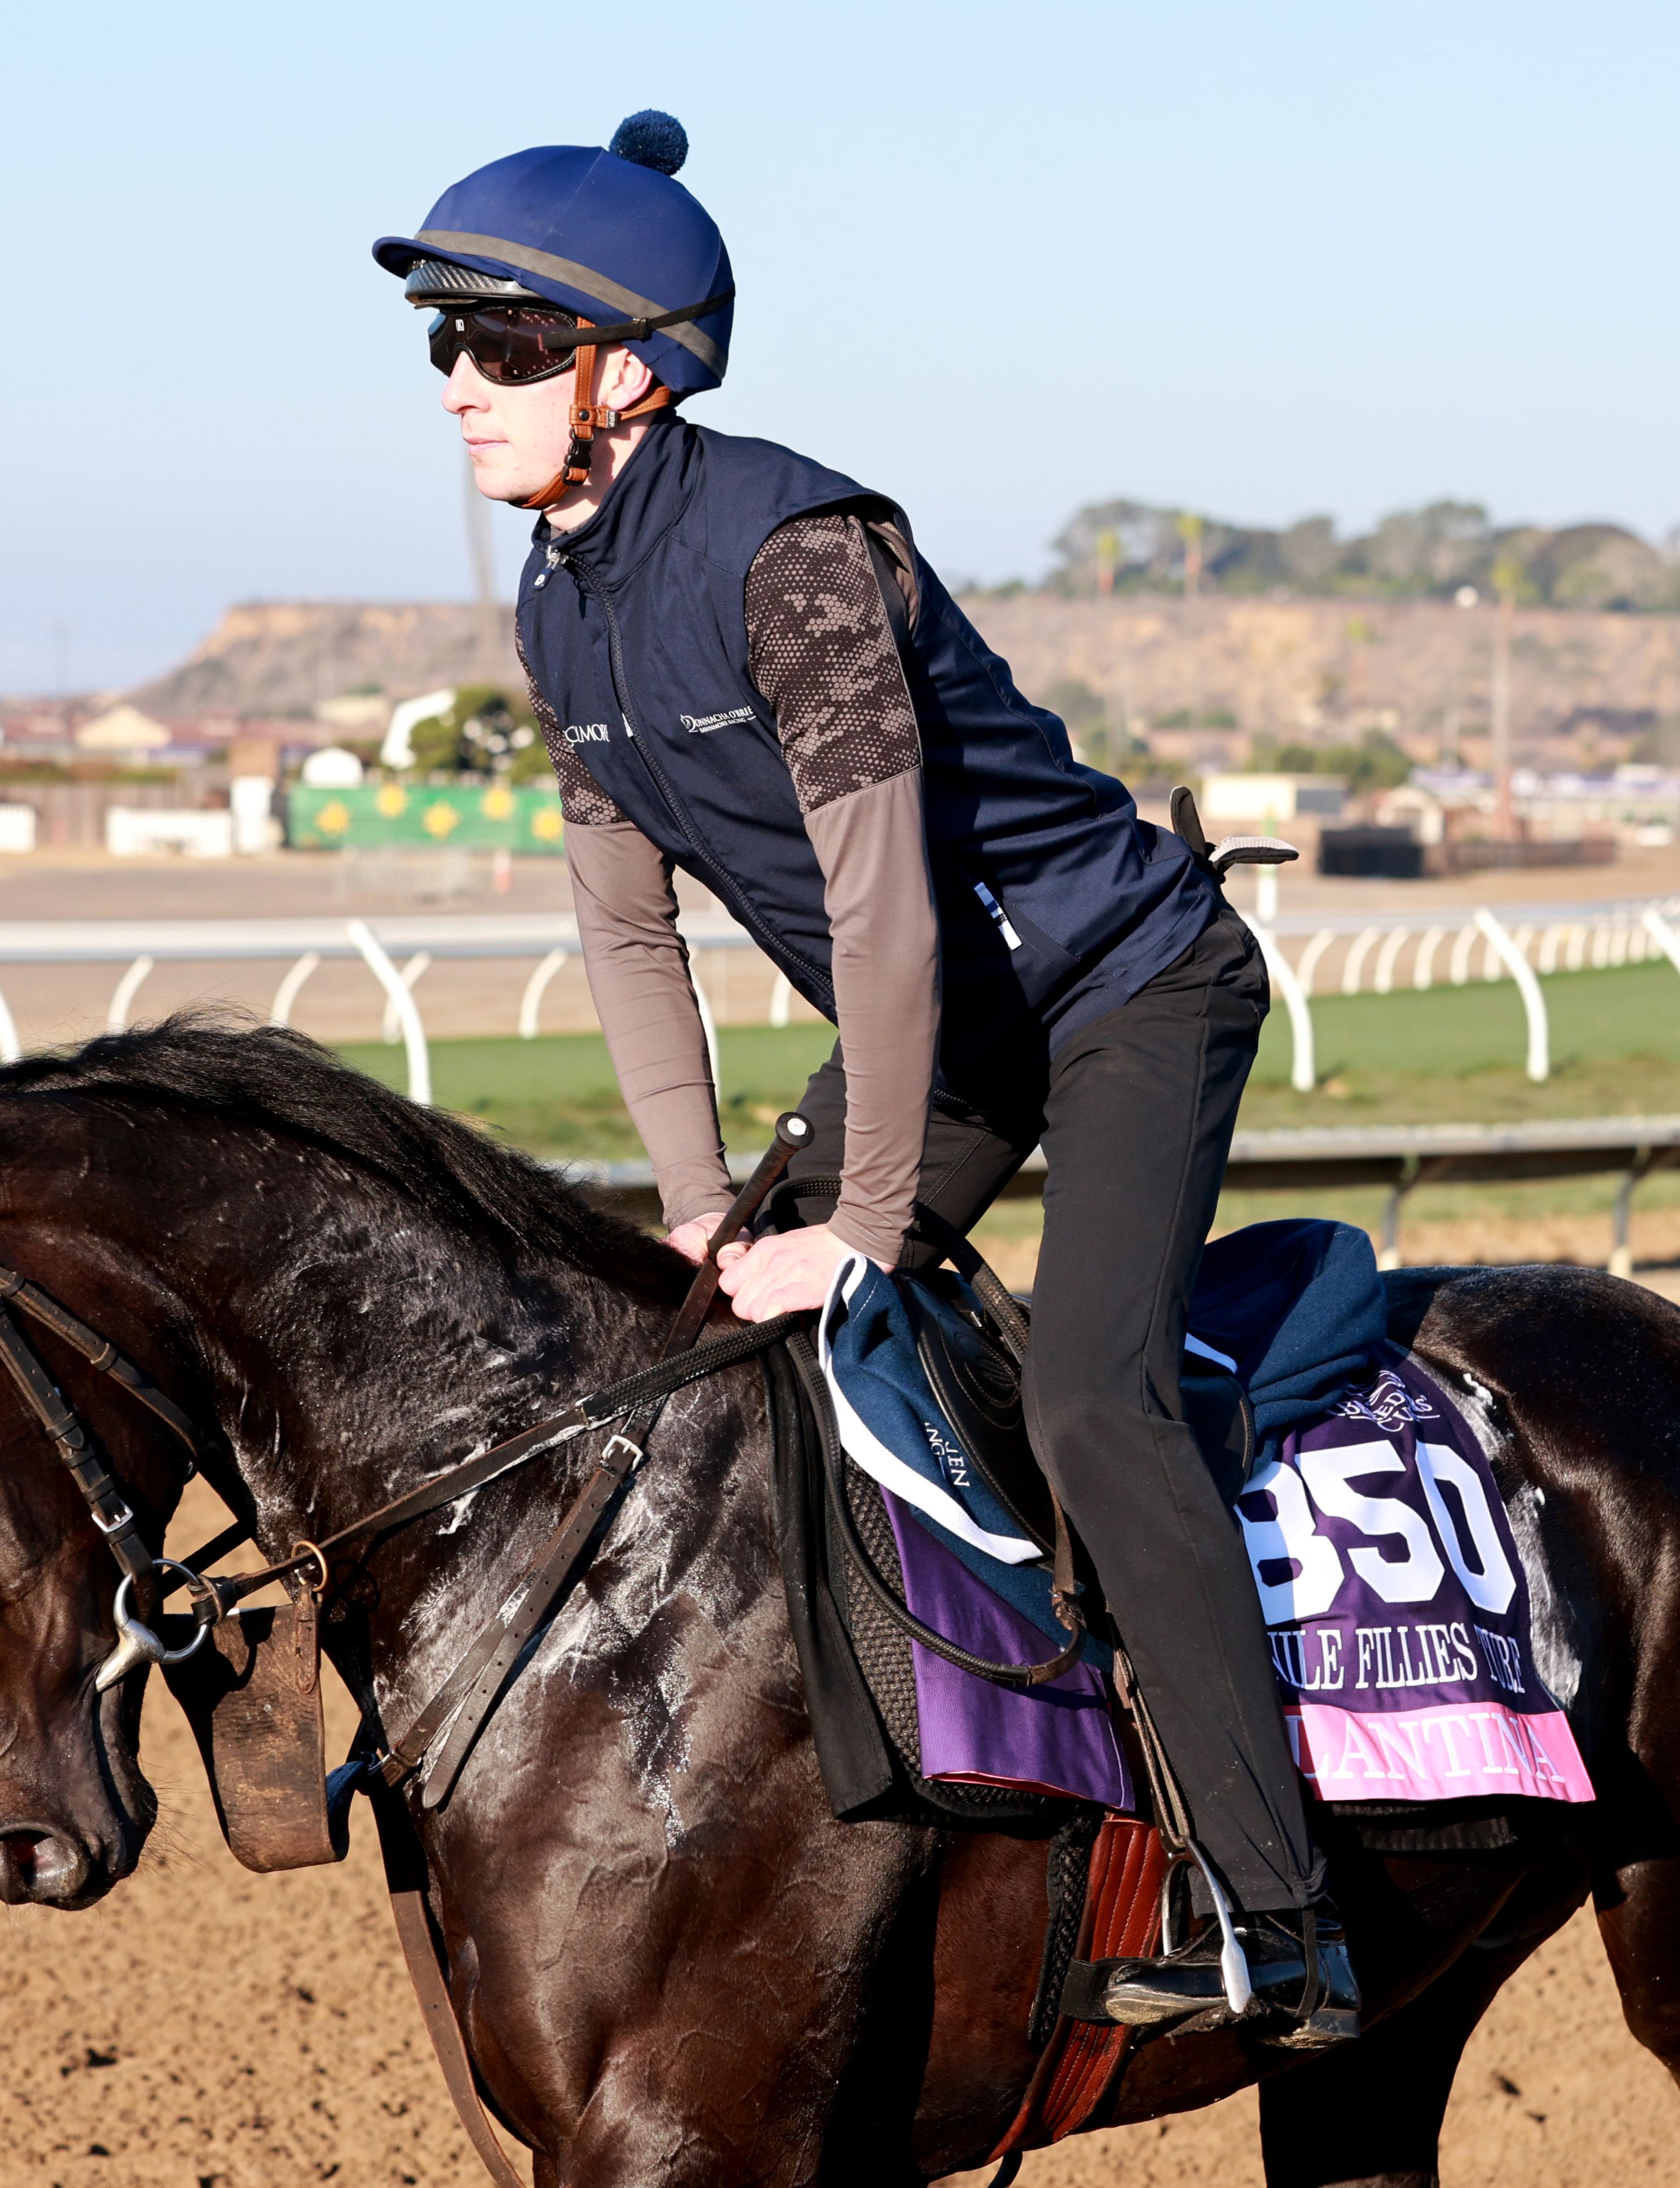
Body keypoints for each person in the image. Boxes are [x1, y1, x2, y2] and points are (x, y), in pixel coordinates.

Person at [374, 111, 1355, 2043]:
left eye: (502, 347)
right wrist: (696, 1209)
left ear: (630, 373)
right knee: (704, 1333)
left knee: (1086, 1400)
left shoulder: (797, 557)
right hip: (953, 1025)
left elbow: (881, 912)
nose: (459, 390)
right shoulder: (556, 609)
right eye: (445, 348)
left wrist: (876, 1228)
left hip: (1129, 988)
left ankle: (1281, 1914)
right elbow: (628, 936)